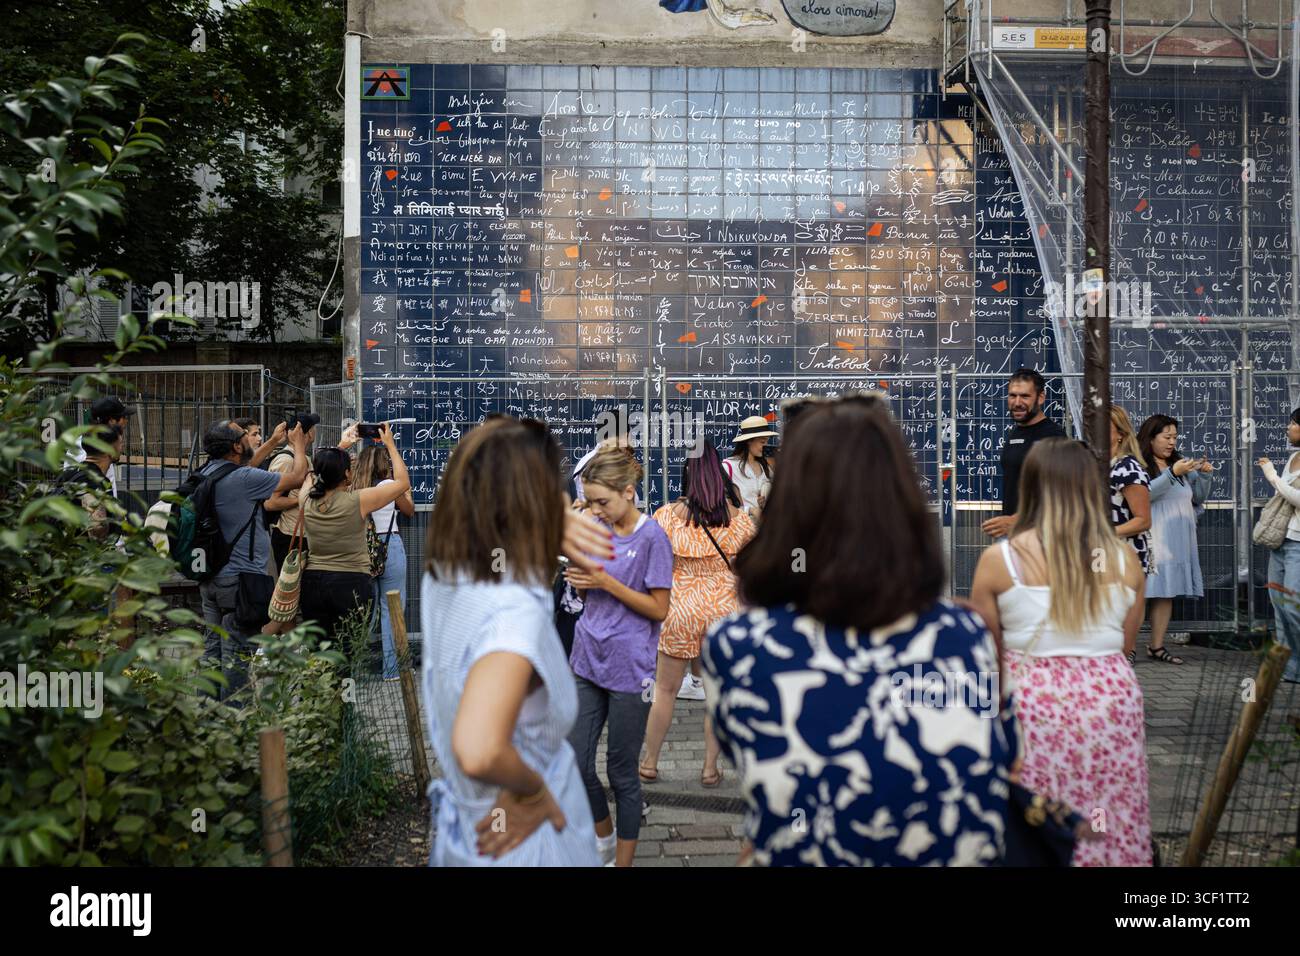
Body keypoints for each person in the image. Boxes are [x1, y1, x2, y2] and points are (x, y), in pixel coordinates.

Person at [704, 393, 1018, 866]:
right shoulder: (964, 637)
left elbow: (753, 761)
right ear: (903, 501)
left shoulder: (739, 647)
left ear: (790, 505)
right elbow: (1004, 758)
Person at [420, 416, 616, 866]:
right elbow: (480, 748)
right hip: (529, 841)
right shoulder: (514, 612)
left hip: (471, 834)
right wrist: (532, 792)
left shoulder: (446, 578)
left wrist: (547, 522)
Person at [970, 438, 1152, 866]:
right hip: (1112, 701)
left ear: (1030, 487)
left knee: (1034, 818)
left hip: (1032, 704)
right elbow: (1127, 642)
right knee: (1108, 814)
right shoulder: (1125, 560)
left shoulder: (1001, 561)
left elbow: (986, 657)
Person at [564, 443, 673, 867]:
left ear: (629, 491)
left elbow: (659, 609)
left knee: (622, 773)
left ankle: (622, 862)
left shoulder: (652, 538)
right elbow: (582, 575)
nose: (596, 509)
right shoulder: (595, 526)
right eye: (591, 500)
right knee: (576, 760)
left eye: (602, 501)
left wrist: (605, 584)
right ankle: (603, 836)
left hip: (631, 670)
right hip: (587, 657)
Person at [641, 440, 754, 788]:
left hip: (680, 606)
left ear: (687, 475)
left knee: (665, 690)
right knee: (716, 694)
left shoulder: (666, 517)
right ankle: (708, 769)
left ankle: (649, 762)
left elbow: (653, 561)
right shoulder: (739, 519)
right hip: (725, 607)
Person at [197, 419, 309, 699]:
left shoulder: (207, 473)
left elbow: (244, 468)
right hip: (238, 583)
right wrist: (298, 445)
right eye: (245, 437)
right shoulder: (244, 480)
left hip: (211, 579)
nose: (250, 440)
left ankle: (206, 715)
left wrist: (272, 442)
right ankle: (234, 722)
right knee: (237, 656)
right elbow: (296, 478)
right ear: (237, 446)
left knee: (212, 652)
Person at [298, 424, 409, 668]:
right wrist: (390, 444)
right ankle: (345, 698)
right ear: (347, 474)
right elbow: (402, 483)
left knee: (320, 649)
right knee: (347, 647)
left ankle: (320, 697)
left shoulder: (305, 498)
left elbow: (315, 474)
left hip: (313, 581)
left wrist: (341, 445)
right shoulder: (357, 501)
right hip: (349, 583)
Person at [1137, 414, 1213, 665]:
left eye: (1175, 437)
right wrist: (1171, 473)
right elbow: (1143, 496)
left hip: (1178, 539)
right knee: (1141, 594)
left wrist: (1204, 476)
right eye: (1166, 437)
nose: (1172, 442)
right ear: (1151, 438)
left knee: (1165, 593)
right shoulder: (1139, 464)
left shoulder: (1180, 464)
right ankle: (1128, 648)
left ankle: (1156, 646)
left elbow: (1197, 498)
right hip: (1152, 538)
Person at [353, 442, 415, 681]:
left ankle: (355, 667)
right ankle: (392, 670)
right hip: (389, 545)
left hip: (361, 549)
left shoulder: (354, 487)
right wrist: (404, 493)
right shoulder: (389, 485)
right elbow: (408, 509)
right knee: (393, 609)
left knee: (365, 610)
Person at [982, 368, 1067, 539]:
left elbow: (1060, 494)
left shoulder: (1052, 436)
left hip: (1042, 536)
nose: (1017, 402)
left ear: (1041, 398)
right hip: (1013, 533)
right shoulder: (1016, 432)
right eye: (1012, 396)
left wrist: (1016, 520)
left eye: (1025, 396)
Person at [1256, 407, 1300, 685]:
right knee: (1279, 605)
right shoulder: (1294, 457)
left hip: (1298, 543)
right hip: (1281, 539)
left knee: (1294, 605)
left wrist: (1272, 476)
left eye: (1292, 423)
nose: (1288, 428)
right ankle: (1290, 667)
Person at [1110, 407, 1152, 666]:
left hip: (1126, 557)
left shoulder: (1128, 468)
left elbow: (1143, 520)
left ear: (1120, 434)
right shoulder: (1095, 463)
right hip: (1099, 556)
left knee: (1120, 618)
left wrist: (1104, 533)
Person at [72, 396, 134, 499]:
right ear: (112, 421)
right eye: (124, 417)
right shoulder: (89, 448)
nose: (126, 421)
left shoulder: (97, 442)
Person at [722, 415, 776, 517]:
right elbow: (723, 505)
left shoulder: (766, 467)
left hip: (765, 528)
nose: (765, 446)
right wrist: (750, 510)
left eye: (767, 442)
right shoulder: (728, 467)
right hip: (741, 528)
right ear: (749, 441)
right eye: (762, 442)